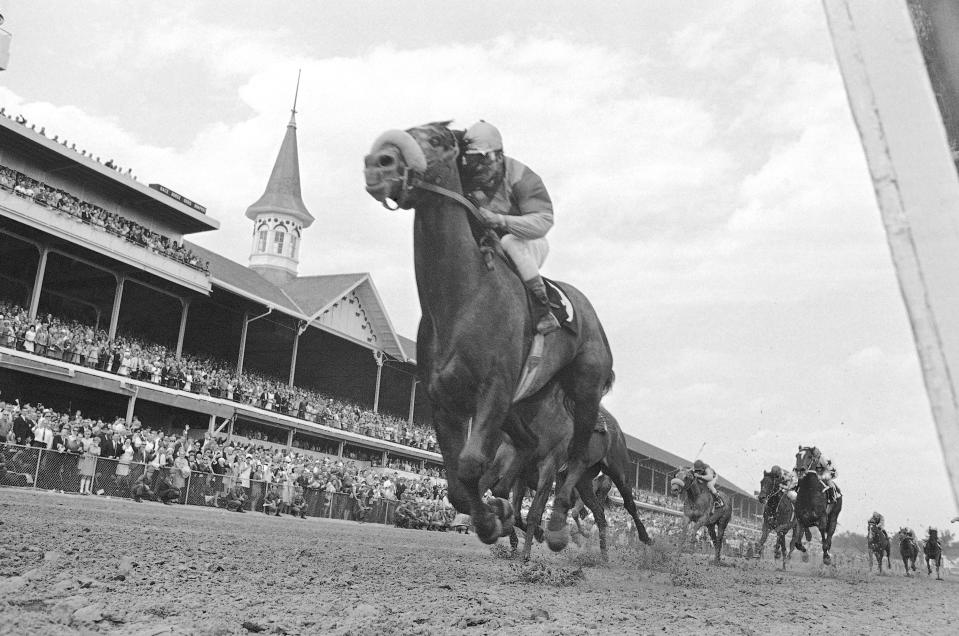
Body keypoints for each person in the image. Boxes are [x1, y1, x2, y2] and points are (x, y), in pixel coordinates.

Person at [461, 120, 560, 335]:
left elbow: (544, 221)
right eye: (470, 160)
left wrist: (501, 221)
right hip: (489, 243)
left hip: (529, 243)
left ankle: (543, 309)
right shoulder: (469, 179)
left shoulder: (522, 177)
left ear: (497, 155)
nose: (476, 167)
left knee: (510, 241)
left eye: (482, 159)